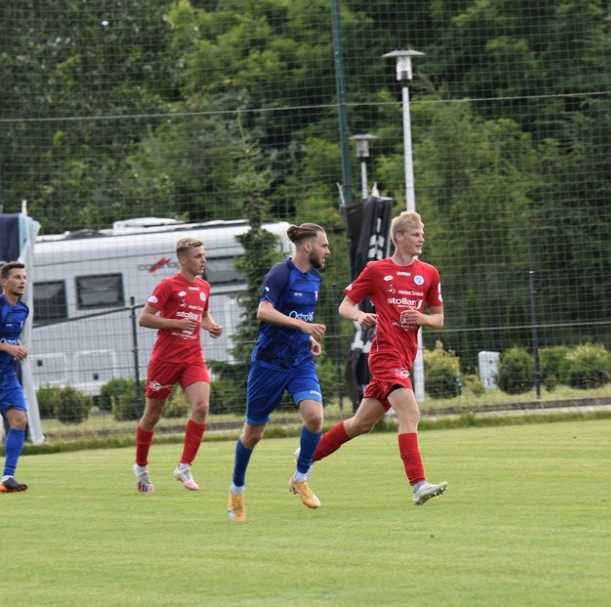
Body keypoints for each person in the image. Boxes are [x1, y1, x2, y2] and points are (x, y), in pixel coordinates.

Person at [310, 211, 448, 506]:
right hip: (385, 355)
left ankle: (307, 456)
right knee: (410, 414)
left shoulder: (429, 273)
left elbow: (438, 319)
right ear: (399, 237)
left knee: (361, 424)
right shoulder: (376, 270)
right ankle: (418, 484)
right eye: (416, 234)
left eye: (422, 234)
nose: (421, 238)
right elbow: (345, 306)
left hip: (405, 358)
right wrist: (359, 315)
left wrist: (422, 318)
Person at [227, 223, 330, 522]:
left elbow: (300, 317)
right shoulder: (281, 273)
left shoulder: (315, 279)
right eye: (324, 245)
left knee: (315, 417)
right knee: (253, 434)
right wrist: (303, 326)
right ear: (308, 246)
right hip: (269, 364)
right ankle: (236, 490)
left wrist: (307, 338)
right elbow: (264, 311)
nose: (328, 251)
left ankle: (300, 477)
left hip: (299, 362)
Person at [133, 238, 224, 493]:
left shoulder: (204, 286)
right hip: (165, 360)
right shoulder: (167, 285)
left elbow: (202, 315)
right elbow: (144, 318)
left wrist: (211, 326)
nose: (203, 260)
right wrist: (176, 324)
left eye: (203, 255)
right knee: (153, 415)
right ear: (183, 260)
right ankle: (141, 467)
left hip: (193, 357)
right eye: (197, 256)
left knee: (202, 406)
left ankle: (184, 467)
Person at [0, 263, 31, 493]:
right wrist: (7, 348)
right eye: (17, 277)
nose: (22, 281)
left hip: (6, 376)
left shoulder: (23, 310)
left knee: (19, 420)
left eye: (24, 277)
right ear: (4, 281)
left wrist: (19, 348)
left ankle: (7, 477)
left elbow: (10, 338)